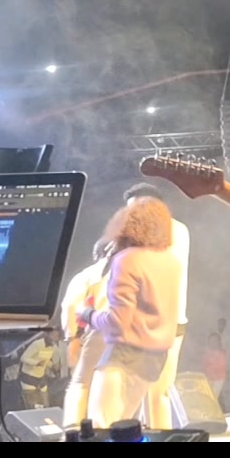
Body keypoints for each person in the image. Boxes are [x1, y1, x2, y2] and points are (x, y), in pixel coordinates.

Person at [77, 198, 179, 428]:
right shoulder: (171, 261)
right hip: (156, 357)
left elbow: (117, 321)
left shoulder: (127, 260)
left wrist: (88, 314)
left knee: (102, 428)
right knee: (124, 428)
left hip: (125, 355)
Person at [123, 182, 190, 429]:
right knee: (154, 391)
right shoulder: (178, 229)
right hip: (171, 320)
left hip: (153, 321)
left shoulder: (163, 231)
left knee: (150, 391)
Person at [59, 240, 112, 426]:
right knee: (106, 386)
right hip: (121, 334)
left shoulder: (87, 275)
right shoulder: (124, 272)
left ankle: (73, 428)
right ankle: (100, 429)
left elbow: (70, 306)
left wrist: (71, 337)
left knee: (80, 383)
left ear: (96, 255)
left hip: (94, 333)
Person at [202, 330, 228, 402]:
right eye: (211, 341)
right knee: (207, 396)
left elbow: (222, 367)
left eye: (215, 341)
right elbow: (204, 364)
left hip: (218, 379)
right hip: (209, 377)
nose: (213, 343)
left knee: (213, 397)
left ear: (218, 343)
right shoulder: (207, 352)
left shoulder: (221, 354)